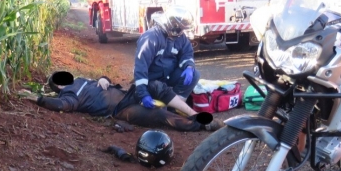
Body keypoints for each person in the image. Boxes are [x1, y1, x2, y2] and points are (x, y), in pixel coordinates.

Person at [19, 71, 222, 132]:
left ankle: (191, 111)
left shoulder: (82, 80)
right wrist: (38, 99)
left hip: (128, 93)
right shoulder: (68, 96)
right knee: (160, 116)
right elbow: (61, 106)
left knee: (153, 84)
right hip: (121, 110)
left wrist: (104, 78)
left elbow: (105, 78)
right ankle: (201, 124)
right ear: (59, 86)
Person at [134, 6, 201, 109]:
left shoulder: (180, 37)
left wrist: (189, 67)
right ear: (172, 25)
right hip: (152, 81)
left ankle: (175, 107)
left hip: (168, 77)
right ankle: (171, 104)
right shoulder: (151, 38)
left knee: (195, 74)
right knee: (158, 86)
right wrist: (143, 94)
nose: (182, 32)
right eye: (180, 28)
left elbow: (187, 53)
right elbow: (140, 67)